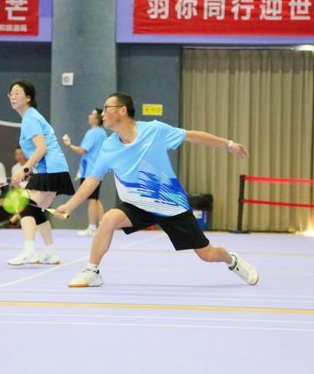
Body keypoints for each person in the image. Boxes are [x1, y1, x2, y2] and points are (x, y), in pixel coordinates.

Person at [55, 93, 259, 287]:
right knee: (109, 219)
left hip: (170, 204)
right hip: (137, 204)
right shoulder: (109, 147)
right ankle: (92, 271)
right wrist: (69, 205)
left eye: (107, 108)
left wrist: (228, 145)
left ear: (122, 110)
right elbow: (93, 179)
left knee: (208, 255)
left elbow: (191, 136)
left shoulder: (155, 130)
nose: (102, 113)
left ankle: (232, 260)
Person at [7, 79, 74, 266]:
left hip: (50, 168)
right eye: (11, 93)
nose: (13, 96)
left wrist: (24, 169)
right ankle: (51, 253)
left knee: (24, 205)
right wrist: (33, 170)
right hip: (56, 168)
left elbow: (42, 148)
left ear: (28, 97)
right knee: (36, 210)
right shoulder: (32, 117)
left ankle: (29, 251)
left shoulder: (30, 118)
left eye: (17, 93)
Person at [63, 108, 107, 237]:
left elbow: (82, 150)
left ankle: (92, 228)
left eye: (92, 114)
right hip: (98, 170)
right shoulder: (103, 133)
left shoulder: (92, 133)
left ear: (97, 119)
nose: (89, 116)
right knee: (95, 199)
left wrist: (69, 145)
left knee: (92, 200)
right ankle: (103, 225)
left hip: (90, 172)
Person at [0, 146, 26, 229]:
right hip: (20, 191)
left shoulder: (32, 166)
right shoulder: (15, 168)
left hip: (32, 191)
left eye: (21, 153)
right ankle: (18, 220)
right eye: (16, 154)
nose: (19, 156)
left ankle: (11, 221)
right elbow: (15, 184)